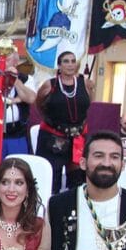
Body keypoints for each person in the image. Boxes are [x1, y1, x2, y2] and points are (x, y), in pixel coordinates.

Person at [35, 51, 94, 192]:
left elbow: (88, 103)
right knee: (51, 178)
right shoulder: (50, 85)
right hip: (52, 138)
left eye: (73, 61)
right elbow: (39, 104)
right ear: (59, 66)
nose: (70, 64)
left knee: (78, 178)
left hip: (77, 138)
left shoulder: (85, 83)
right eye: (66, 61)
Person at [0, 47, 38, 158]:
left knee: (17, 166)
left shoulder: (26, 79)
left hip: (16, 134)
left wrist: (15, 80)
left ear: (15, 62)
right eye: (0, 59)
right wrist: (16, 100)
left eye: (6, 60)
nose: (3, 63)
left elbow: (31, 98)